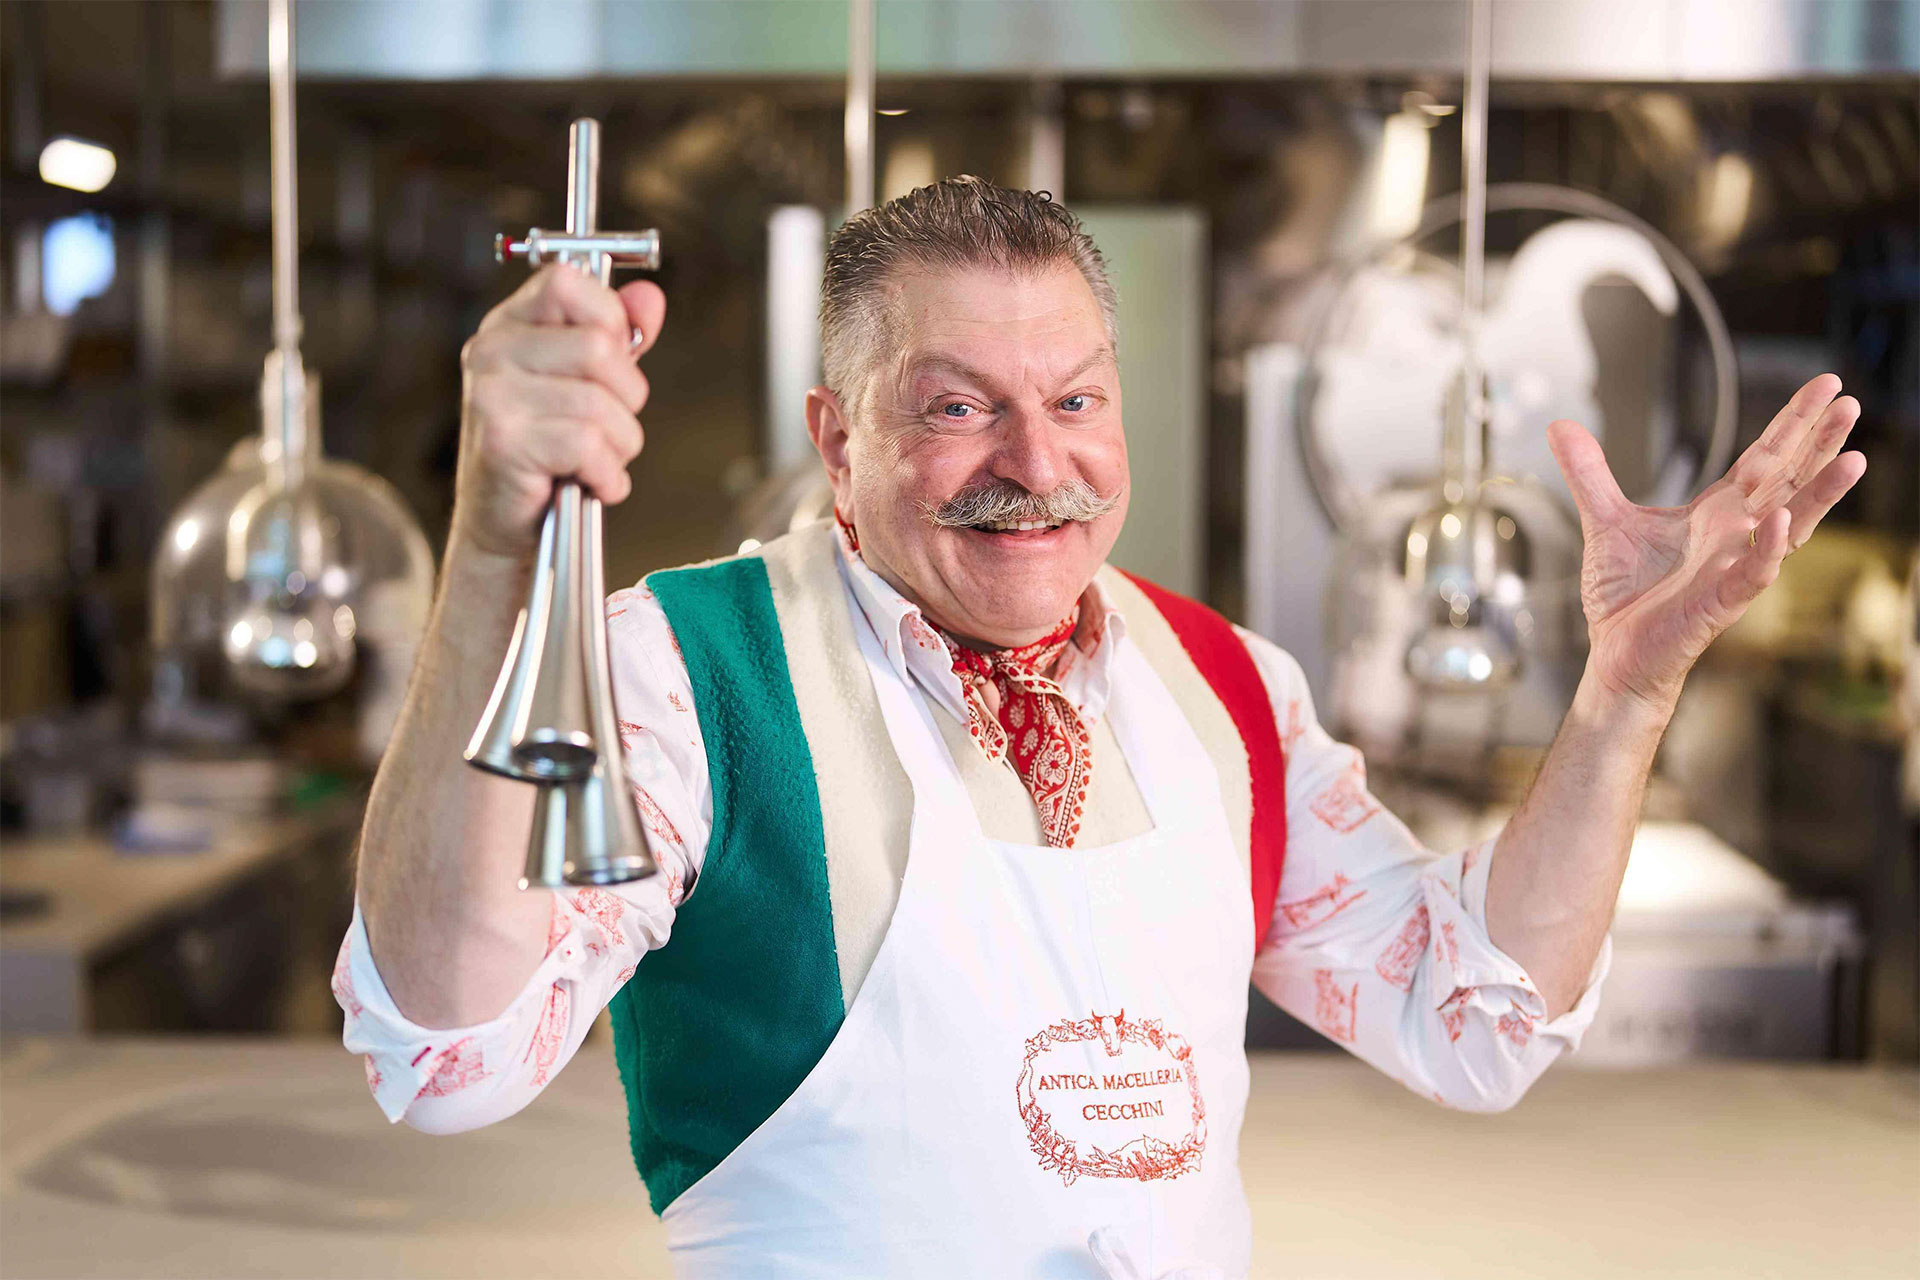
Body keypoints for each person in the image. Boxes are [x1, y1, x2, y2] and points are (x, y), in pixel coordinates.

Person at [333, 177, 1866, 1277]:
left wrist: (1628, 689)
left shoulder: (1223, 688)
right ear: (834, 435)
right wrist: (488, 551)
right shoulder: (681, 674)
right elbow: (450, 1054)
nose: (1033, 462)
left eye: (1073, 401)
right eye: (954, 408)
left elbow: (1474, 1019)